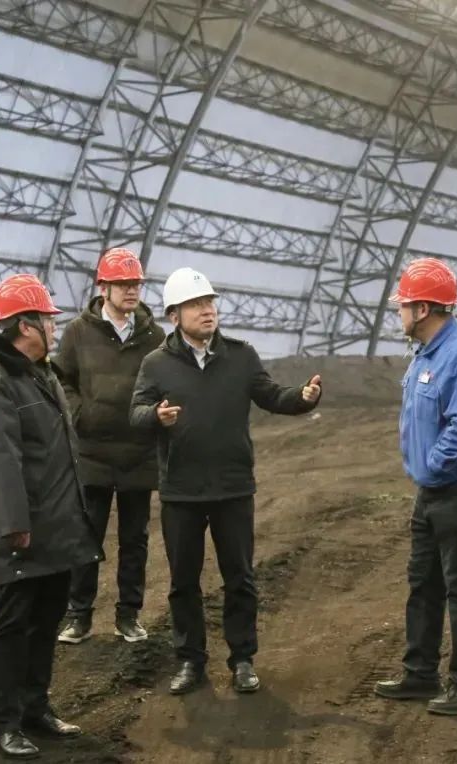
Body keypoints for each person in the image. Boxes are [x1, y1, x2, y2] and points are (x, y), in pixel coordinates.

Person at [129, 267, 323, 696]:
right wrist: (155, 416)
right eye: (196, 305)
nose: (207, 311)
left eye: (210, 302)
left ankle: (243, 659)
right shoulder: (156, 364)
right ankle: (190, 661)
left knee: (240, 578)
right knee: (183, 582)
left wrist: (304, 398)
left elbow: (272, 396)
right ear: (174, 316)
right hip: (181, 491)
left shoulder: (241, 356)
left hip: (233, 488)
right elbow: (136, 413)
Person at [0, 273, 103, 761]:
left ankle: (35, 708)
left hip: (57, 524)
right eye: (48, 319)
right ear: (25, 325)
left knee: (45, 622)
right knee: (11, 627)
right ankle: (5, 724)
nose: (54, 327)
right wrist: (13, 525)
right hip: (25, 530)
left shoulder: (39, 373)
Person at [373, 257, 457, 716]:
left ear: (423, 309)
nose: (399, 312)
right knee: (423, 585)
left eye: (403, 305)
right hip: (432, 492)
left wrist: (432, 466)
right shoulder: (427, 352)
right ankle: (420, 674)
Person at [52, 248, 166, 645]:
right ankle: (79, 617)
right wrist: (79, 414)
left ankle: (128, 616)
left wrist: (153, 415)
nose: (132, 291)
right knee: (86, 536)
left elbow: (165, 383)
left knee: (135, 541)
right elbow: (61, 379)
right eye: (123, 284)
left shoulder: (154, 336)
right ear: (104, 288)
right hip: (92, 455)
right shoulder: (78, 332)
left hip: (138, 454)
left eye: (136, 284)